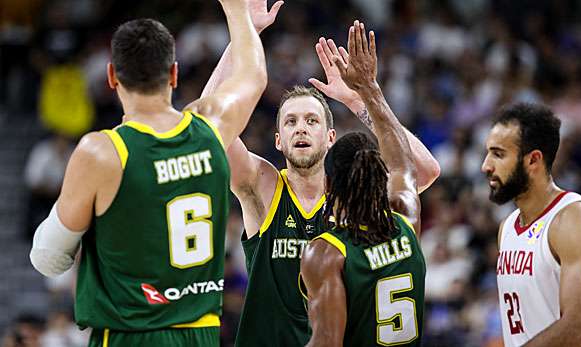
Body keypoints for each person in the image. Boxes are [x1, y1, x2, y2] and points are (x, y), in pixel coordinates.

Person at [28, 0, 268, 345]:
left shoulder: (103, 152)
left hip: (132, 335)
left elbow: (48, 259)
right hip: (200, 333)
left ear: (112, 76)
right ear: (174, 73)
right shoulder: (210, 130)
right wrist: (239, 14)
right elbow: (253, 76)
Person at [200, 4, 439, 345]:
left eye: (312, 121)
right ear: (278, 141)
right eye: (291, 121)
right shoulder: (263, 183)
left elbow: (424, 171)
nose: (301, 128)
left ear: (330, 138)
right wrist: (245, 35)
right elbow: (207, 126)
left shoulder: (356, 196)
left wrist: (359, 101)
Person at [301, 21, 426, 347]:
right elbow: (403, 162)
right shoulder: (406, 217)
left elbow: (326, 342)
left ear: (328, 185)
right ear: (378, 176)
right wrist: (369, 88)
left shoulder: (328, 252)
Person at [482, 103, 581, 347]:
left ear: (533, 160)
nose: (486, 166)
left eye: (498, 154)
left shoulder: (576, 218)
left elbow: (579, 328)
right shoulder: (507, 228)